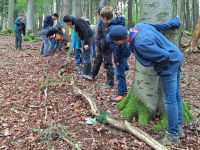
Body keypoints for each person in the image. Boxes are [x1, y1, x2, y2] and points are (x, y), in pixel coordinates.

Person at [105, 16, 184, 146]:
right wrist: (173, 23)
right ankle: (178, 129)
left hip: (170, 64)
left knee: (170, 99)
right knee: (175, 96)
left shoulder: (140, 43)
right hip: (176, 56)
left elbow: (164, 56)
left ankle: (173, 134)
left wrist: (162, 70)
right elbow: (158, 27)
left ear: (119, 42)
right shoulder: (140, 26)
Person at [100, 6, 130, 99]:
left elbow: (117, 45)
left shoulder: (113, 27)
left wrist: (116, 59)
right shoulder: (115, 24)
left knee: (119, 74)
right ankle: (123, 90)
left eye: (102, 18)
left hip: (121, 54)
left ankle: (121, 94)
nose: (102, 20)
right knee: (120, 73)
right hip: (124, 52)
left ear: (105, 18)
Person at [84, 6, 114, 89]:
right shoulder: (102, 22)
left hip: (106, 48)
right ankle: (92, 75)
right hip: (101, 48)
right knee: (97, 61)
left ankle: (110, 83)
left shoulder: (106, 22)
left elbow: (106, 37)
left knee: (108, 64)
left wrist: (102, 46)